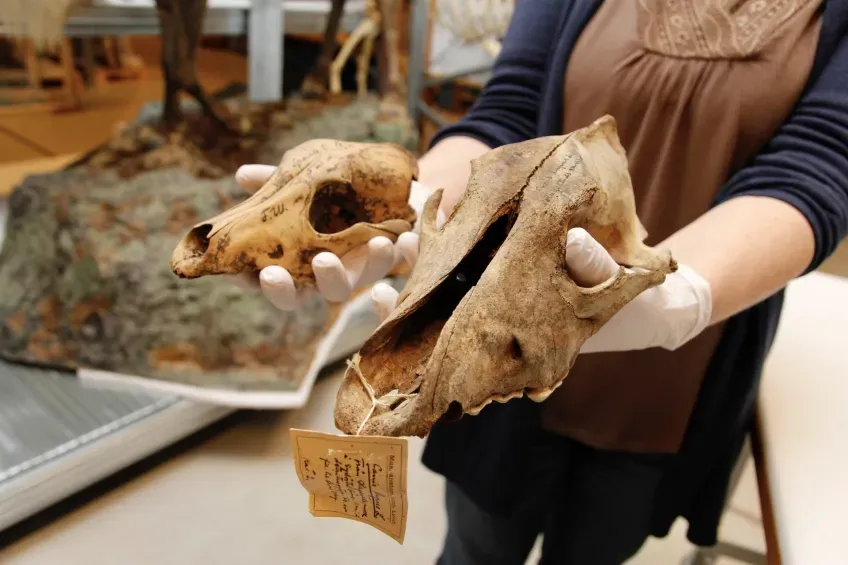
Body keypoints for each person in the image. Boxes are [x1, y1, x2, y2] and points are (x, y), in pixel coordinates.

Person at [233, 1, 848, 563]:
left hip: (666, 383)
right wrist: (413, 204)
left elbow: (819, 163)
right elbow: (511, 106)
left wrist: (681, 297)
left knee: (599, 542)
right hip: (494, 344)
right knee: (475, 542)